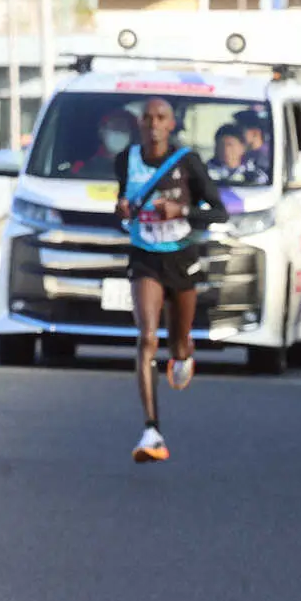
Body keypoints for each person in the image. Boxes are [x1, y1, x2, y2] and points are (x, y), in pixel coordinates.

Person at [113, 98, 228, 463]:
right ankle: (151, 431)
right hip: (145, 255)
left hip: (181, 257)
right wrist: (123, 207)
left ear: (171, 124)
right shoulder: (126, 160)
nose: (153, 124)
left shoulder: (187, 162)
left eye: (160, 118)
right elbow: (124, 202)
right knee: (147, 337)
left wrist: (181, 211)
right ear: (139, 125)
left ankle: (183, 354)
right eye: (147, 118)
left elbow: (218, 211)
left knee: (178, 344)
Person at [71, 109, 138, 177]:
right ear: (102, 131)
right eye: (115, 127)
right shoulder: (82, 168)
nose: (119, 132)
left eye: (123, 128)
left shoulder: (141, 169)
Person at [233, 108, 272, 174]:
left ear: (254, 132)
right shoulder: (245, 155)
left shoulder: (268, 156)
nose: (236, 135)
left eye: (240, 130)